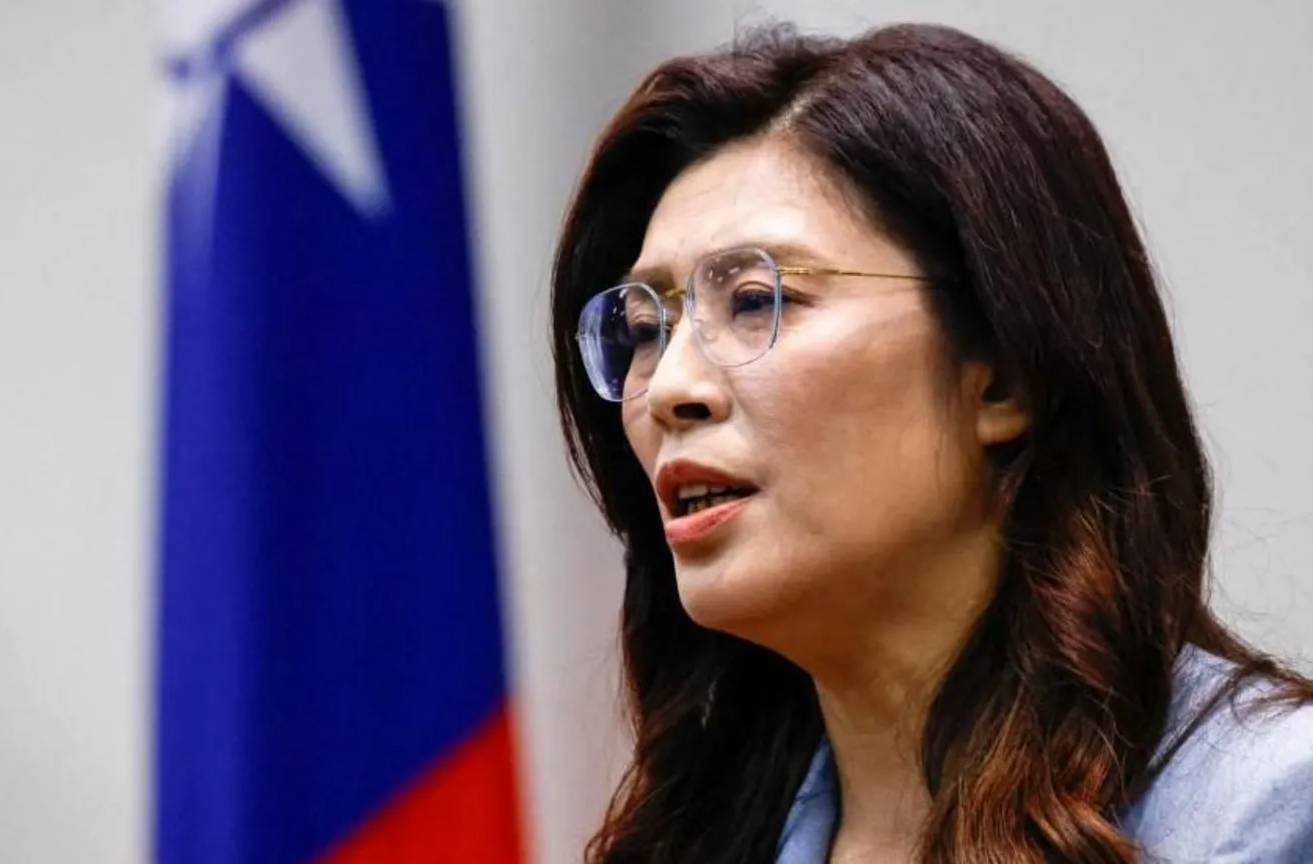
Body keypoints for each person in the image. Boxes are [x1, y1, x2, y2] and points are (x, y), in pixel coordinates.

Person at [549, 21, 1313, 864]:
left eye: (758, 300)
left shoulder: (1270, 808)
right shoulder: (698, 840)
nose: (669, 389)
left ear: (1005, 378)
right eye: (644, 328)